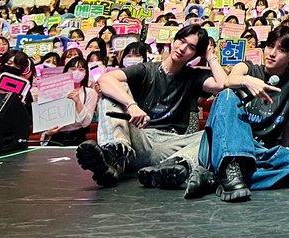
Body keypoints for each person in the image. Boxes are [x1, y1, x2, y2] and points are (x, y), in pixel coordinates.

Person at [137, 26, 289, 201]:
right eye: (270, 46)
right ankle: (230, 168)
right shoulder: (247, 68)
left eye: (281, 50)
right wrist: (246, 80)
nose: (272, 53)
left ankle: (217, 178)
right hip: (228, 143)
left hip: (259, 152)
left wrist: (286, 148)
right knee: (227, 93)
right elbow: (228, 81)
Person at [75, 25, 226, 187]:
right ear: (172, 40)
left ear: (196, 55)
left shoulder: (194, 76)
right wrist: (131, 105)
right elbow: (105, 80)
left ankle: (172, 167)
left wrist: (210, 57)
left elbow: (224, 86)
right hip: (139, 139)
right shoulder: (146, 70)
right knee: (114, 88)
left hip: (171, 146)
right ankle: (114, 155)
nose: (183, 49)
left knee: (214, 134)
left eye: (191, 48)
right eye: (181, 41)